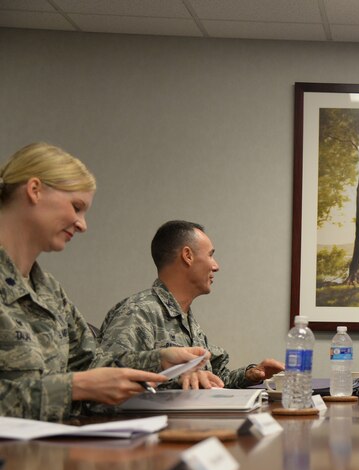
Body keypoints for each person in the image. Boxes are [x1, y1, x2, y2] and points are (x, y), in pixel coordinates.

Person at [0, 143, 206, 421]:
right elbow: (83, 381)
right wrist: (75, 388)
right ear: (34, 190)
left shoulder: (47, 289)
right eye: (76, 207)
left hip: (53, 453)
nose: (82, 224)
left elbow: (91, 362)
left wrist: (160, 359)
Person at [98, 220, 283, 389]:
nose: (216, 266)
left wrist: (251, 374)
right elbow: (104, 379)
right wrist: (176, 379)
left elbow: (215, 377)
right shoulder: (138, 312)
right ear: (187, 256)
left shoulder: (186, 319)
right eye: (210, 255)